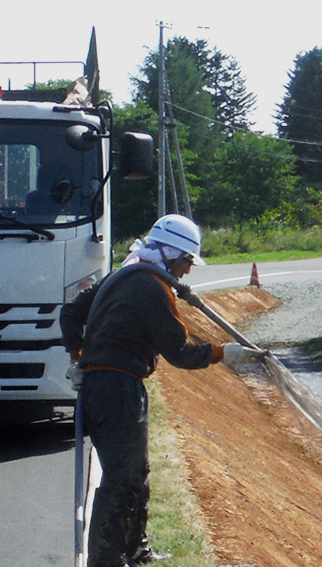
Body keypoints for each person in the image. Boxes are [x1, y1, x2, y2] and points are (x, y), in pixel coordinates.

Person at [59, 214, 265, 566]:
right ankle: (105, 561)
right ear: (171, 254)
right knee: (121, 479)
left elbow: (70, 314)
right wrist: (221, 353)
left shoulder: (123, 276)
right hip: (118, 389)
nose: (186, 272)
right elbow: (179, 352)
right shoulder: (151, 289)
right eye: (186, 261)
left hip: (102, 386)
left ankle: (135, 548)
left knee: (135, 473)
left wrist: (80, 358)